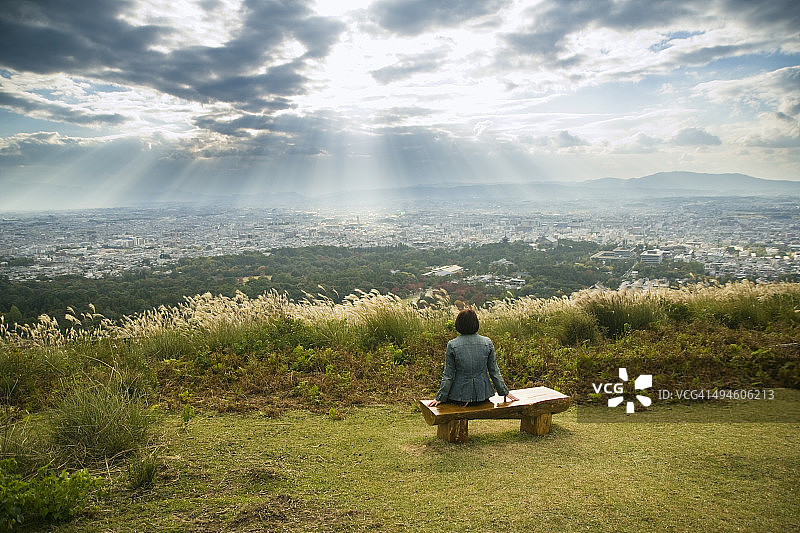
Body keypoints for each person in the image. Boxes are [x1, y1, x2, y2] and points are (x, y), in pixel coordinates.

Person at [430, 308, 519, 406]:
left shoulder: (452, 345)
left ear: (458, 324)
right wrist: (505, 392)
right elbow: (494, 371)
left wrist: (440, 397)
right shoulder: (487, 342)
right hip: (483, 395)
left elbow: (448, 375)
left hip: (459, 396)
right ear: (476, 323)